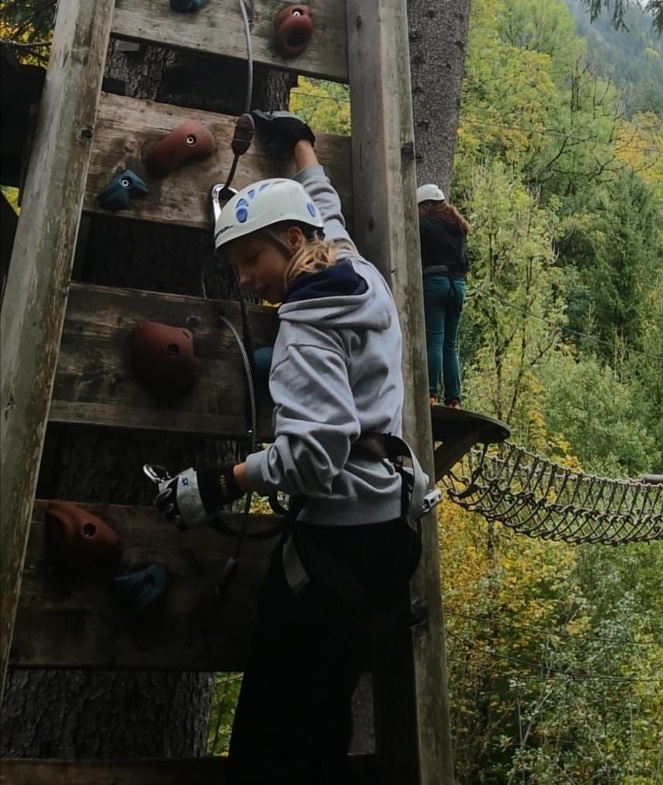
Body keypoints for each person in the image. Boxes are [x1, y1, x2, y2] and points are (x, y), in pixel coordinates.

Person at [151, 112, 422, 784]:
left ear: (292, 241)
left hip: (340, 542)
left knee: (276, 735)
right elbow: (325, 210)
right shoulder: (356, 272)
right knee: (322, 719)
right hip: (389, 523)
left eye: (252, 260)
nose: (244, 279)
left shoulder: (305, 332)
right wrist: (300, 146)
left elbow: (312, 456)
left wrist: (223, 481)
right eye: (236, 265)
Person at [417, 183, 470, 408]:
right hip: (457, 286)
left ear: (426, 205)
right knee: (450, 345)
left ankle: (430, 394)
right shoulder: (457, 226)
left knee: (434, 341)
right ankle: (453, 399)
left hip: (435, 284)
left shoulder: (424, 225)